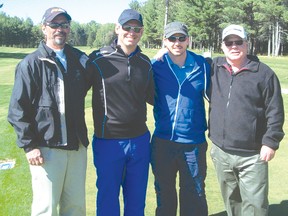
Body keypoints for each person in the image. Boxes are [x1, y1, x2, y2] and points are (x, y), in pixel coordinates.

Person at [7, 7, 89, 216]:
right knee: (46, 209)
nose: (60, 29)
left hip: (76, 146)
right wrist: (29, 146)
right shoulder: (31, 64)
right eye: (54, 25)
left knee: (76, 208)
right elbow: (17, 109)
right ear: (44, 28)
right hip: (46, 149)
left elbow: (107, 70)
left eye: (64, 25)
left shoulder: (80, 59)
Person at [209, 24, 285, 216]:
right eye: (229, 42)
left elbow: (275, 111)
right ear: (222, 45)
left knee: (256, 206)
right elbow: (184, 57)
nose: (234, 46)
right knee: (232, 202)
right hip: (221, 152)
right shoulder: (214, 67)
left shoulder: (264, 73)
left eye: (238, 42)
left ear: (247, 44)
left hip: (252, 155)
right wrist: (162, 53)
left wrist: (270, 142)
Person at [86, 9, 154, 216]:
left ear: (141, 32)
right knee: (108, 201)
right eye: (127, 27)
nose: (131, 32)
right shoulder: (98, 59)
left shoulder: (145, 62)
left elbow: (154, 98)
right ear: (117, 28)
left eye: (136, 29)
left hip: (140, 141)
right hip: (109, 142)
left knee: (136, 202)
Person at [151, 21, 210, 216]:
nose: (177, 43)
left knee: (194, 195)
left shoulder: (202, 64)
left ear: (188, 40)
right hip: (163, 142)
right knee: (164, 195)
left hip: (193, 143)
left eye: (181, 38)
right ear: (164, 41)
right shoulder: (155, 66)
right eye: (172, 38)